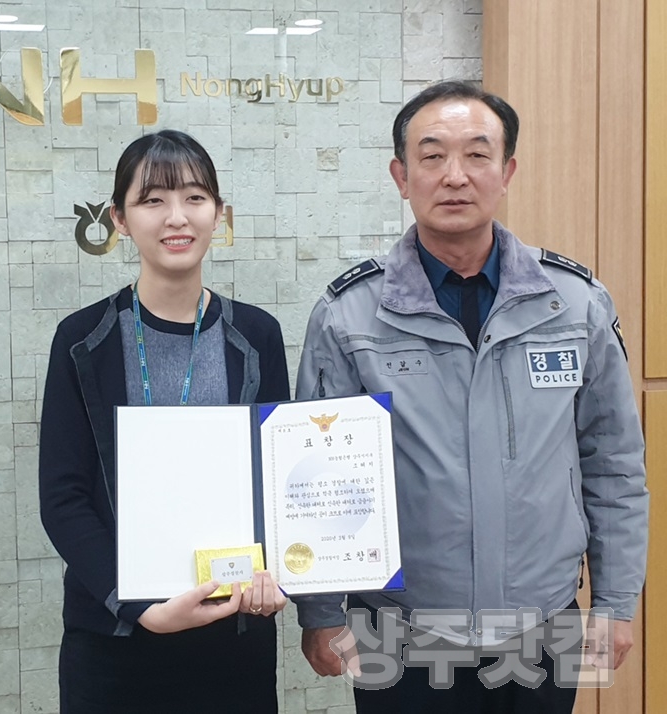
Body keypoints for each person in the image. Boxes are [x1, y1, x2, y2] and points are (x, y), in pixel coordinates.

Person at [294, 80, 648, 713]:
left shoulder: (574, 304)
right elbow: (317, 479)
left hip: (545, 618)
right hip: (396, 622)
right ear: (401, 177)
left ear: (506, 172)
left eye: (477, 155)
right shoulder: (349, 314)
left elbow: (614, 464)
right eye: (432, 156)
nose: (455, 175)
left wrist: (616, 603)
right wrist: (321, 613)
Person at [39, 129, 290, 713]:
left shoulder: (257, 335)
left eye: (195, 197)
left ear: (218, 214)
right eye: (153, 200)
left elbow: (275, 480)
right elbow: (63, 497)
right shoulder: (82, 340)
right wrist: (139, 607)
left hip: (234, 636)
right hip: (113, 640)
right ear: (119, 219)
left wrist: (281, 573)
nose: (177, 216)